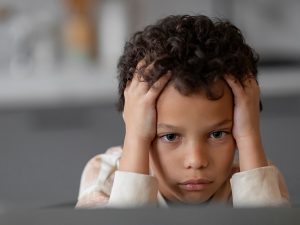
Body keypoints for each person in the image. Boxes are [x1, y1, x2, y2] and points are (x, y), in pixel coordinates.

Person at [76, 15, 289, 208]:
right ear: (137, 125)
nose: (196, 161)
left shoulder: (257, 174)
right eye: (170, 136)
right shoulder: (105, 176)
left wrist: (249, 135)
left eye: (217, 134)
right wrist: (136, 138)